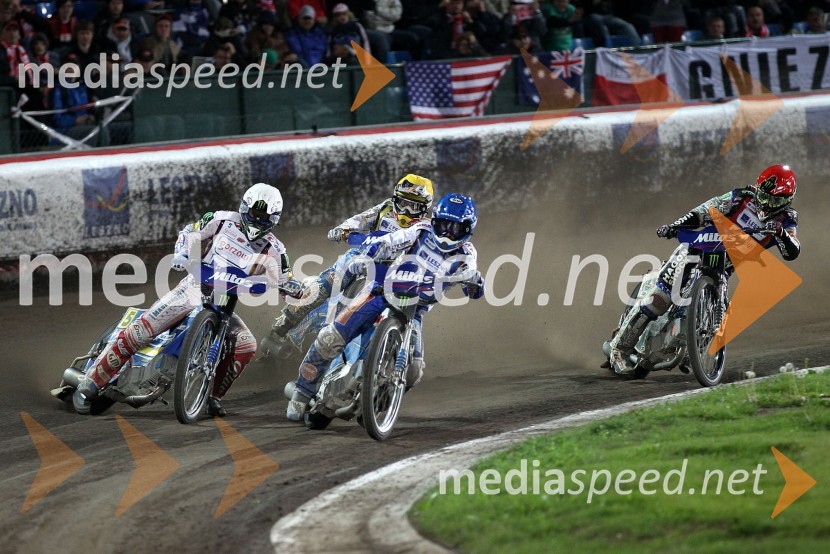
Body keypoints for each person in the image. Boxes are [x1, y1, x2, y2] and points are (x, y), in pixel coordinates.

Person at [76, 184, 295, 417]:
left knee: (246, 345)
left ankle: (211, 397)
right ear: (244, 208)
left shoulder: (276, 250)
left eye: (264, 217)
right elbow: (190, 232)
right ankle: (93, 380)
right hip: (194, 288)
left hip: (226, 303)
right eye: (254, 214)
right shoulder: (221, 220)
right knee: (142, 330)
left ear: (274, 219)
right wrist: (182, 254)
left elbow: (286, 281)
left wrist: (295, 289)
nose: (257, 220)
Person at [286, 192, 486, 421]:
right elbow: (392, 240)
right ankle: (302, 392)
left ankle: (376, 404)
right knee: (330, 337)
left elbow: (475, 289)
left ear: (468, 229)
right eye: (444, 224)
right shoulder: (421, 229)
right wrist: (373, 247)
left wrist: (474, 280)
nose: (448, 232)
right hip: (380, 291)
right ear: (436, 219)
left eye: (455, 228)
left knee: (413, 371)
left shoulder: (467, 253)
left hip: (415, 311)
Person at [608, 165, 800, 375]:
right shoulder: (740, 197)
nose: (767, 203)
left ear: (787, 199)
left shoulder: (787, 219)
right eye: (765, 196)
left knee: (722, 309)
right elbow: (706, 210)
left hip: (724, 267)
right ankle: (619, 349)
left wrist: (781, 233)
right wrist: (675, 226)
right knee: (660, 298)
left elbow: (792, 250)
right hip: (695, 250)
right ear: (758, 187)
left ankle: (693, 349)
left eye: (775, 200)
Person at [267, 174, 435, 343]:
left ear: (424, 208)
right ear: (395, 199)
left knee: (412, 312)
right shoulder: (386, 209)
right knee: (331, 280)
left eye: (413, 206)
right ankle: (284, 324)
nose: (406, 210)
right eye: (403, 203)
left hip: (396, 272)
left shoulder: (428, 228)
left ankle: (406, 352)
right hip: (365, 256)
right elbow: (361, 220)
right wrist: (343, 229)